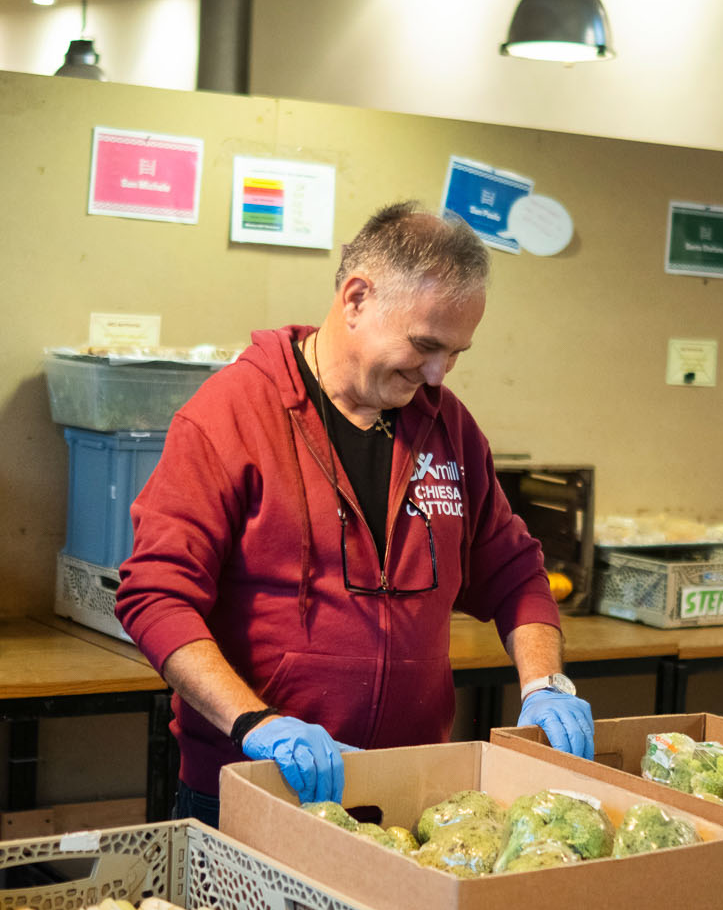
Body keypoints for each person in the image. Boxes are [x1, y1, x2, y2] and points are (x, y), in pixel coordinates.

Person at [116, 202, 594, 824]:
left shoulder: (447, 427)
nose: (436, 373)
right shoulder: (229, 416)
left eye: (455, 353)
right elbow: (155, 597)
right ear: (357, 298)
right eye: (425, 345)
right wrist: (256, 722)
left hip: (408, 793)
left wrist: (544, 682)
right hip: (260, 787)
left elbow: (514, 571)